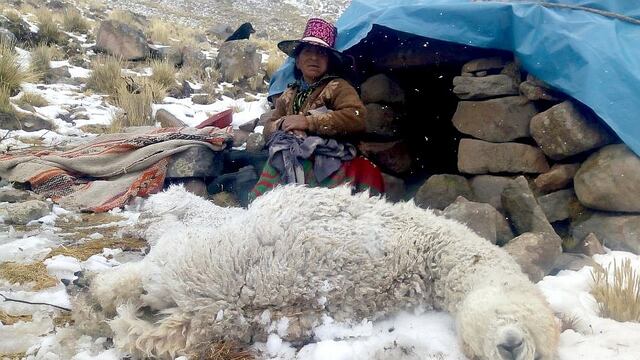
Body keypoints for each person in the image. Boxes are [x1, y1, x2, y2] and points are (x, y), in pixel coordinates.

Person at [249, 18, 384, 201]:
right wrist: (283, 124)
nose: (314, 57)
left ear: (329, 61)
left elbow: (356, 117)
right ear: (297, 61)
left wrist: (308, 122)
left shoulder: (339, 87)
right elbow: (269, 127)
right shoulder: (289, 94)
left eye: (321, 53)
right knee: (277, 162)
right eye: (308, 52)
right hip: (290, 155)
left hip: (332, 157)